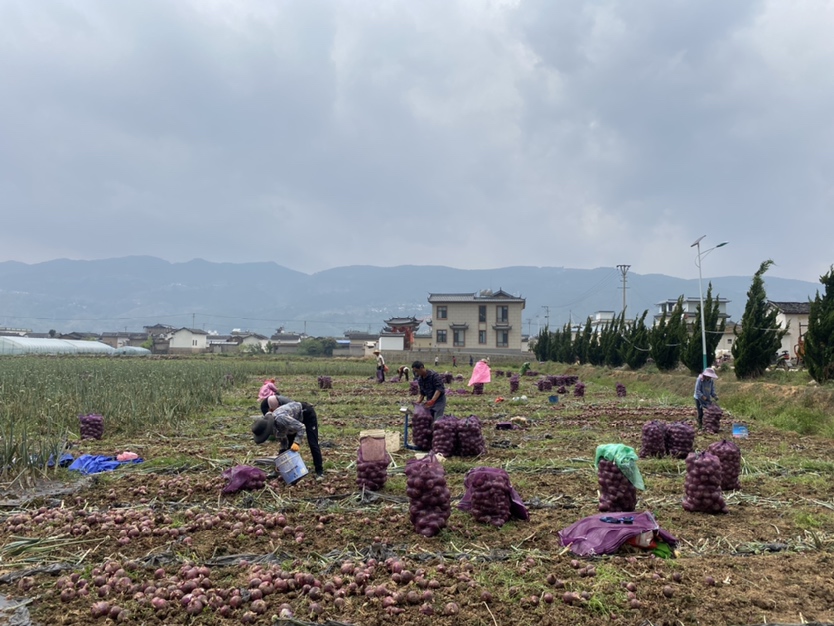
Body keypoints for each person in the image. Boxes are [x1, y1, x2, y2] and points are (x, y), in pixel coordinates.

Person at [261, 395, 325, 481]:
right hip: (293, 419)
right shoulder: (275, 429)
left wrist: (297, 442)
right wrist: (279, 464)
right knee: (288, 446)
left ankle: (319, 471)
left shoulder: (280, 419)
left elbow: (301, 427)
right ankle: (282, 471)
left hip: (306, 413)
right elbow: (284, 443)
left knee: (312, 443)